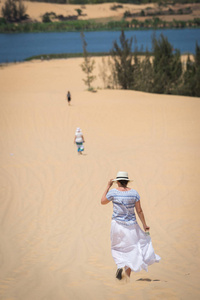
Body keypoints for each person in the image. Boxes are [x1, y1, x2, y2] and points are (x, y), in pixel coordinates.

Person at [101, 171, 160, 280]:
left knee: (117, 247)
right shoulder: (134, 193)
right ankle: (127, 275)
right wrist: (144, 224)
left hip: (117, 225)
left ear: (117, 181)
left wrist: (108, 186)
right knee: (132, 248)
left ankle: (120, 265)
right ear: (127, 181)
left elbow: (103, 201)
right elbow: (139, 210)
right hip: (131, 225)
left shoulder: (113, 192)